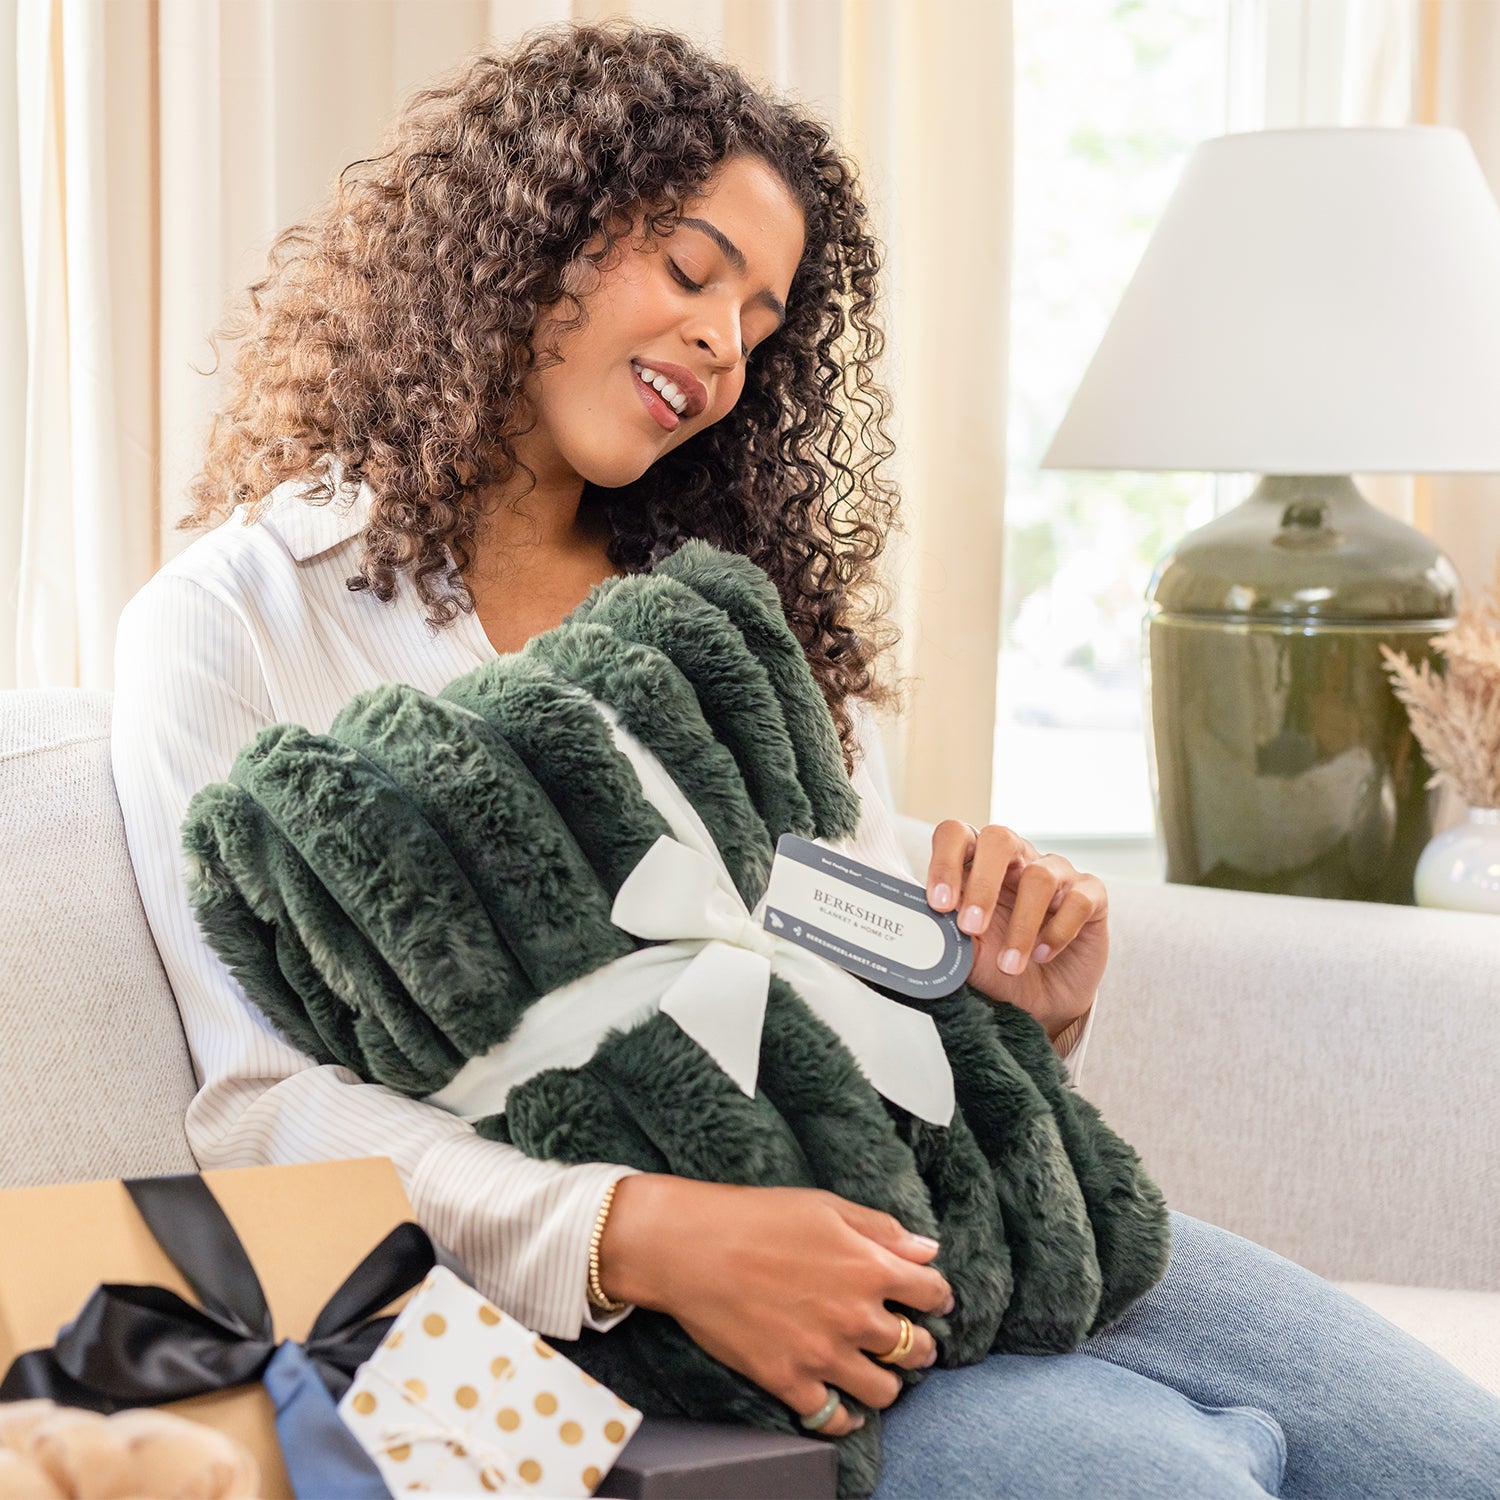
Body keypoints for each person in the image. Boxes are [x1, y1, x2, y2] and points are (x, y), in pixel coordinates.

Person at [111, 19, 1500, 1499]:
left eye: (763, 320)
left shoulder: (719, 613)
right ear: (524, 234)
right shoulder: (241, 618)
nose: (723, 345)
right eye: (691, 271)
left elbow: (840, 958)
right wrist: (637, 1231)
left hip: (924, 1203)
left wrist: (1012, 996)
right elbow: (256, 1112)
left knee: (1457, 1459)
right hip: (611, 1321)